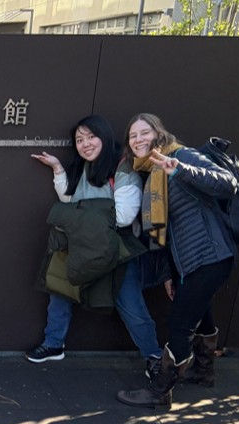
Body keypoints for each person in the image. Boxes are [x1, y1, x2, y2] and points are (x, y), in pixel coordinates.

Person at [116, 113, 237, 410]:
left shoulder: (182, 157)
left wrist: (180, 170)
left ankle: (160, 391)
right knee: (201, 308)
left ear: (158, 133)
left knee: (180, 322)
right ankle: (205, 371)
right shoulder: (148, 172)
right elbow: (168, 230)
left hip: (210, 254)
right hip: (190, 260)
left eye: (144, 132)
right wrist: (171, 272)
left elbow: (228, 184)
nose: (139, 140)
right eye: (133, 136)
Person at [29, 115, 163, 365]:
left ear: (104, 136)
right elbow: (69, 201)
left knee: (132, 306)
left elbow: (122, 217)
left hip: (115, 250)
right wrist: (58, 169)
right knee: (60, 290)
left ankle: (154, 356)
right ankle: (53, 344)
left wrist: (75, 214)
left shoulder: (123, 169)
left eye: (91, 137)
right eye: (80, 139)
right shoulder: (82, 168)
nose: (85, 144)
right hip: (81, 246)